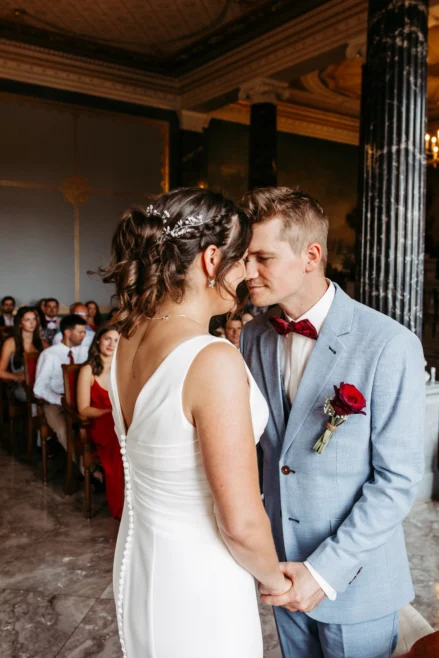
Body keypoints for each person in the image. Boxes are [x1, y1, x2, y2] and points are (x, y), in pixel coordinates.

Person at [102, 188, 292, 657]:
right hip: (198, 582)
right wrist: (276, 580)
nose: (249, 272)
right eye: (242, 258)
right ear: (211, 260)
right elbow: (241, 523)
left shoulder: (127, 337)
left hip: (138, 559)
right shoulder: (212, 359)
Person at [240, 187, 425, 658]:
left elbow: (398, 480)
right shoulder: (254, 336)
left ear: (311, 255)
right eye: (243, 257)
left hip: (354, 579)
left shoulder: (388, 343)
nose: (246, 271)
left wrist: (322, 572)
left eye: (261, 256)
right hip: (279, 571)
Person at [77, 326, 123, 519]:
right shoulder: (87, 370)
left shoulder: (122, 368)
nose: (111, 344)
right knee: (120, 441)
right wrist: (110, 411)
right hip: (100, 423)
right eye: (107, 339)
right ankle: (120, 506)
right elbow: (83, 409)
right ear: (98, 341)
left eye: (116, 340)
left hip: (119, 420)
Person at [34, 314, 88, 464]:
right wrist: (61, 399)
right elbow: (38, 389)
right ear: (68, 332)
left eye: (85, 332)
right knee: (65, 430)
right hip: (55, 402)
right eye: (80, 332)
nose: (84, 336)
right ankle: (89, 472)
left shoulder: (85, 352)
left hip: (79, 400)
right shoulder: (49, 354)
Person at [0, 306, 46, 402]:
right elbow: (1, 371)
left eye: (34, 319)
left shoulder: (43, 344)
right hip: (20, 384)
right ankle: (35, 415)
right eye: (27, 320)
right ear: (20, 323)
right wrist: (17, 377)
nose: (32, 323)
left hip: (40, 382)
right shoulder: (11, 343)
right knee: (34, 395)